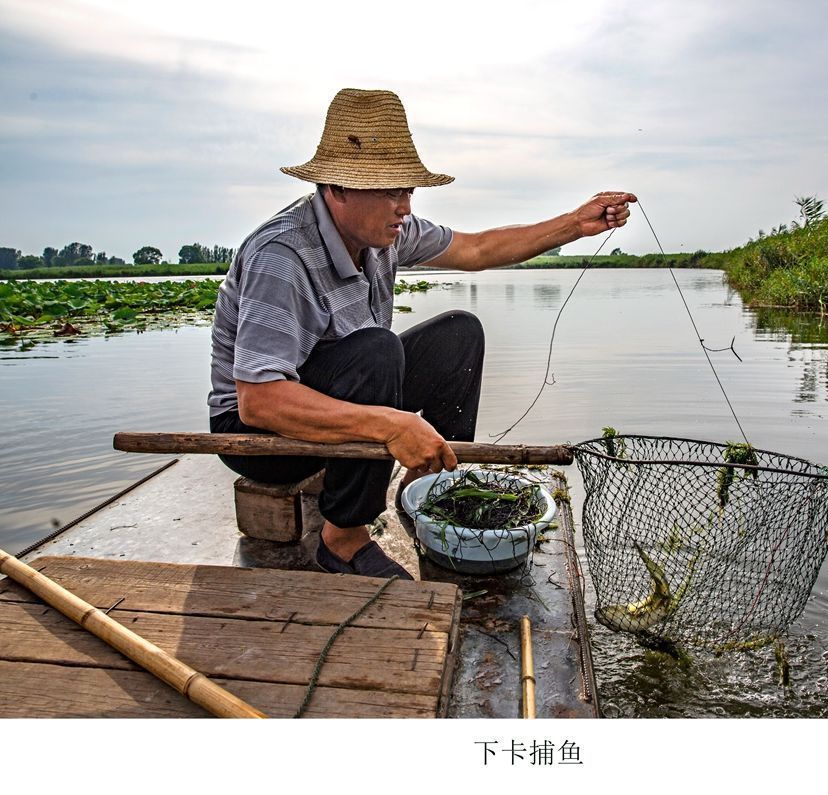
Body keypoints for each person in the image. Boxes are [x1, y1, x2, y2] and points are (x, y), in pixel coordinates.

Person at [208, 88, 635, 580]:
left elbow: (475, 250)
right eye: (390, 190)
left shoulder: (387, 232)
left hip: (334, 389)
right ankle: (342, 541)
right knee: (376, 350)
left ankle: (428, 488)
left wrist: (572, 225)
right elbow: (257, 401)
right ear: (338, 189)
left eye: (408, 190)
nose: (403, 206)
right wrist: (392, 425)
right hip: (258, 439)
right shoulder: (282, 256)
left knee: (459, 333)